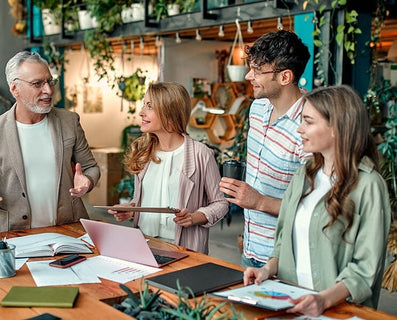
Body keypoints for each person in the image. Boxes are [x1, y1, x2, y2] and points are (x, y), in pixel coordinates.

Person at [244, 85, 391, 316]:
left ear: (337, 128)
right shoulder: (304, 174)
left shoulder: (369, 185)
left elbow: (366, 269)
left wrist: (322, 300)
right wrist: (267, 269)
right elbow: (283, 241)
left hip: (338, 312)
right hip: (291, 305)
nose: (299, 129)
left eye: (308, 122)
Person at [0, 51, 100, 232]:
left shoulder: (69, 121)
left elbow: (91, 167)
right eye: (37, 84)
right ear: (15, 89)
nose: (48, 90)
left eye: (50, 81)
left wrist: (88, 182)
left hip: (70, 229)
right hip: (17, 234)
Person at [219, 30, 311, 268]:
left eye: (258, 70)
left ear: (285, 77)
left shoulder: (311, 126)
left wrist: (259, 201)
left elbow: (316, 210)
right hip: (250, 249)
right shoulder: (258, 109)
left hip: (287, 259)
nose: (249, 76)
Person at [109, 82, 229, 254]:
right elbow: (143, 199)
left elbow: (220, 203)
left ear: (169, 114)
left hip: (183, 248)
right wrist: (131, 209)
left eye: (149, 106)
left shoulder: (201, 154)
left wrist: (194, 217)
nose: (141, 112)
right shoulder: (143, 152)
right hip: (144, 243)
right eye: (144, 104)